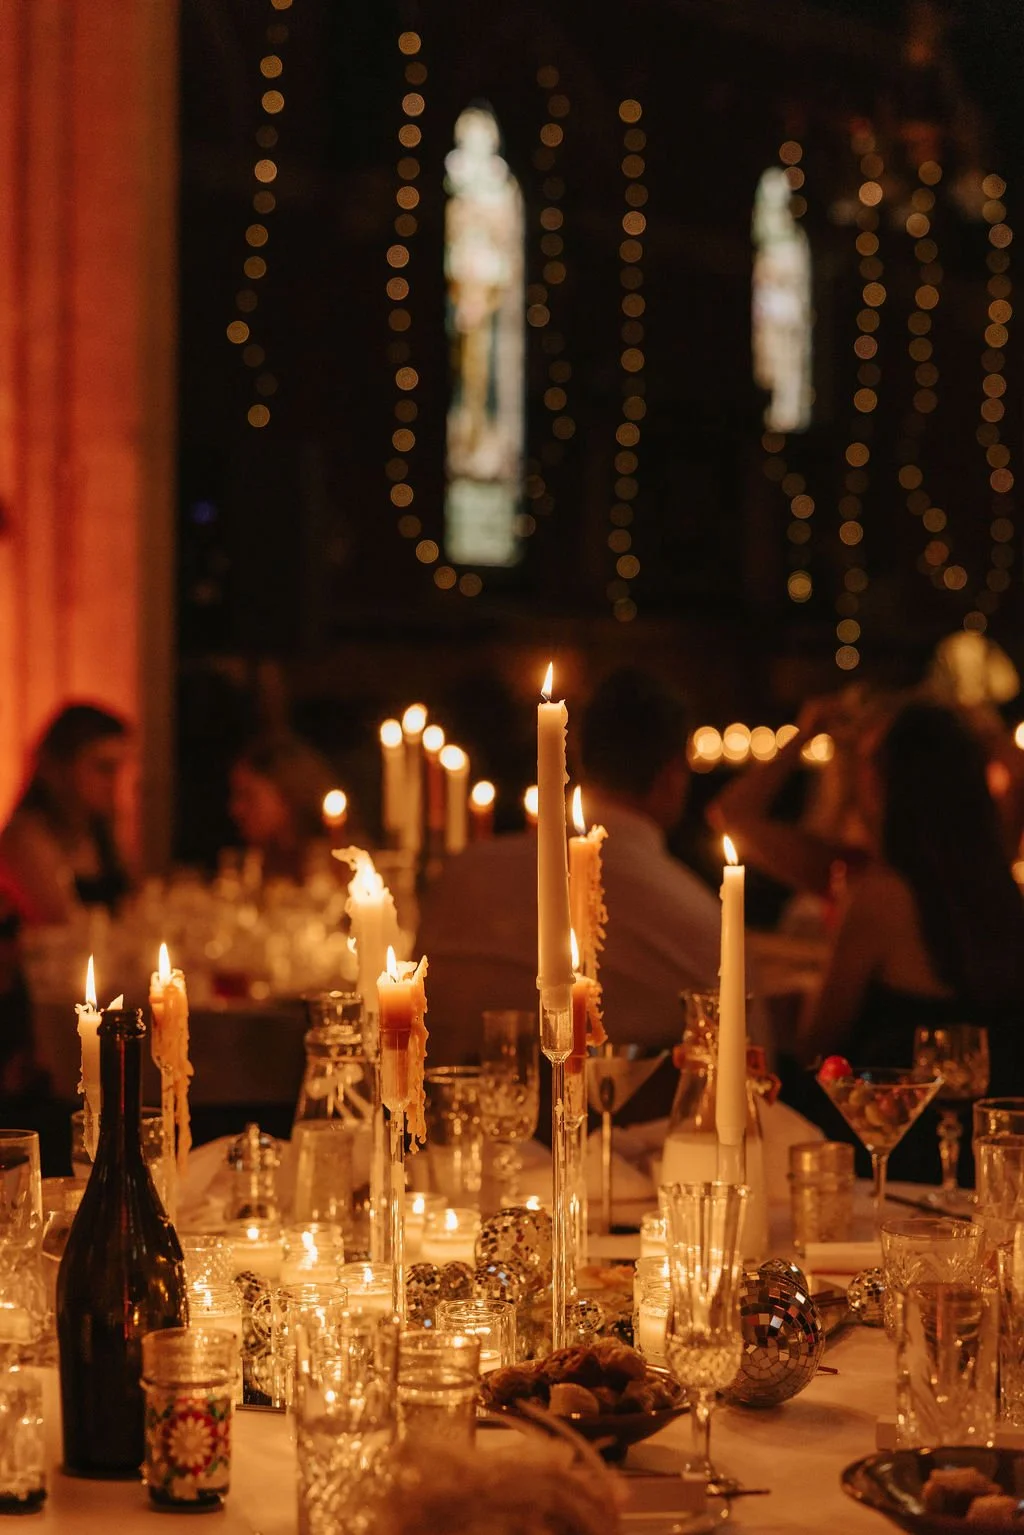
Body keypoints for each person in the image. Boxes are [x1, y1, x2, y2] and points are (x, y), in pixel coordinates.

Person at [417, 669, 728, 1066]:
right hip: (614, 1105)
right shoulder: (696, 916)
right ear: (673, 775)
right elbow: (747, 1055)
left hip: (449, 1101)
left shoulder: (463, 874)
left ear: (577, 753)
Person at [0, 704, 131, 925]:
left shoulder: (98, 833)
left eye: (120, 769)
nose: (115, 783)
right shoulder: (24, 838)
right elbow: (60, 923)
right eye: (104, 768)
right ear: (58, 769)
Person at [228, 734, 337, 883]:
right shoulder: (252, 868)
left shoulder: (337, 866)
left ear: (287, 794)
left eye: (248, 796)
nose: (236, 809)